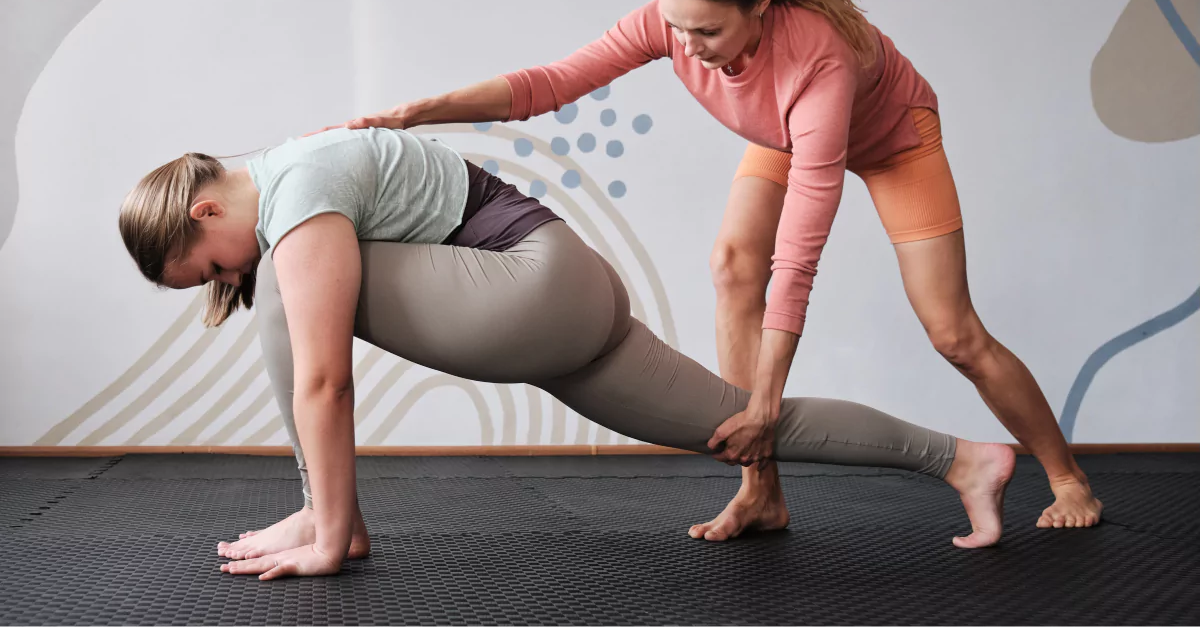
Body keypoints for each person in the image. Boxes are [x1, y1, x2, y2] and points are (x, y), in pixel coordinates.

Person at [322, 0, 1102, 541]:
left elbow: (801, 254)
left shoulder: (819, 64)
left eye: (706, 34)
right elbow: (550, 83)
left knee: (952, 333)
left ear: (760, 1)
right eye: (676, 29)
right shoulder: (673, 22)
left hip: (891, 139)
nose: (685, 49)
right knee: (731, 263)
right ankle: (760, 492)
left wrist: (767, 403)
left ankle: (1064, 476)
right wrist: (418, 111)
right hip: (783, 132)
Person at [119, 127, 1015, 580]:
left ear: (203, 213)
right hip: (564, 291)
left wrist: (334, 532)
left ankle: (329, 520)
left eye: (204, 267)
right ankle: (964, 459)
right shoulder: (293, 173)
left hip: (534, 288)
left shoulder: (295, 198)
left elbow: (323, 377)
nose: (217, 282)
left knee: (286, 280)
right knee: (731, 422)